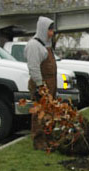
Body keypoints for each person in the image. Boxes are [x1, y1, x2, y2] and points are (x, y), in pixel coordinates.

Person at [24, 16, 57, 150]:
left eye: (52, 30)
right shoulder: (34, 45)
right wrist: (39, 86)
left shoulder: (45, 45)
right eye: (49, 30)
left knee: (50, 113)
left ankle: (48, 139)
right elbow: (34, 67)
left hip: (50, 85)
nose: (52, 33)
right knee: (40, 113)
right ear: (43, 29)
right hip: (41, 85)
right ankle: (39, 141)